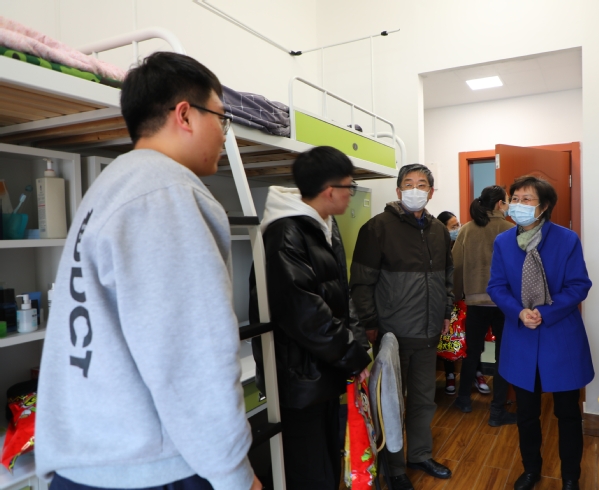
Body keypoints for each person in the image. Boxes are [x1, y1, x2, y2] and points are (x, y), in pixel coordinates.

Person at [35, 52, 261, 490]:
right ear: (185, 115)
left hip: (88, 462)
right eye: (222, 119)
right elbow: (193, 356)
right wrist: (235, 474)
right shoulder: (167, 193)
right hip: (147, 471)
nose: (224, 134)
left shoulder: (110, 186)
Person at [250, 146, 371, 490]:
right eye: (349, 186)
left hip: (322, 372)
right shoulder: (286, 233)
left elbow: (339, 295)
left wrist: (356, 349)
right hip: (300, 379)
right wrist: (352, 356)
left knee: (327, 463)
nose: (351, 193)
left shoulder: (322, 226)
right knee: (310, 473)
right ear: (330, 190)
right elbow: (306, 314)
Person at [350, 163, 453, 490]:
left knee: (423, 400)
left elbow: (447, 277)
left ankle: (420, 454)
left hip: (428, 333)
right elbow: (361, 283)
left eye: (422, 184)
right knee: (390, 404)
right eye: (408, 184)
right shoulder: (376, 228)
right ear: (398, 191)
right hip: (392, 334)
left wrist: (446, 310)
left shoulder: (439, 231)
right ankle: (393, 468)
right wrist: (370, 323)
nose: (414, 189)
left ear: (431, 192)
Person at [487, 175, 594, 490]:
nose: (518, 205)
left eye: (527, 199)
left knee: (567, 413)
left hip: (560, 338)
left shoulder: (566, 239)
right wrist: (519, 312)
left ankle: (571, 477)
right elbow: (497, 286)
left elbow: (579, 285)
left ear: (544, 206)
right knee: (527, 413)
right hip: (521, 337)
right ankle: (531, 470)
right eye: (515, 199)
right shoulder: (503, 242)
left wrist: (544, 313)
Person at [451, 186, 516, 427]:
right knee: (503, 355)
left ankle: (464, 399)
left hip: (475, 301)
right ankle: (497, 410)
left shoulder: (467, 229)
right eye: (508, 201)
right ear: (499, 204)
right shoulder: (511, 230)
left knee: (472, 352)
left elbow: (456, 266)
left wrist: (456, 296)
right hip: (504, 303)